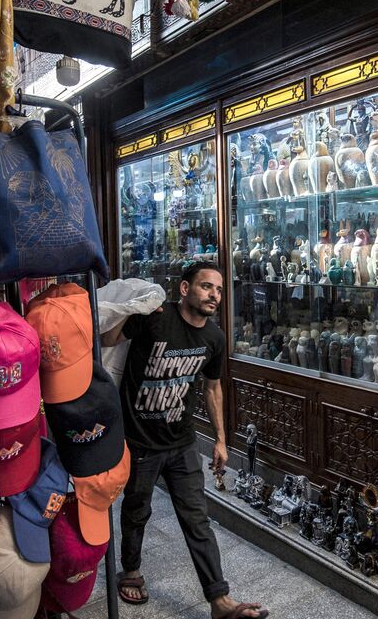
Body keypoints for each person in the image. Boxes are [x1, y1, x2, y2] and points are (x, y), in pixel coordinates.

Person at [101, 261, 268, 619]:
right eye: (207, 287)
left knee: (197, 519)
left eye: (219, 290)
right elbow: (106, 340)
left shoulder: (214, 338)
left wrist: (222, 440)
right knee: (136, 511)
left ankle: (219, 600)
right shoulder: (156, 318)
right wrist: (135, 307)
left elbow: (212, 388)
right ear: (184, 289)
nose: (215, 295)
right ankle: (130, 570)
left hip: (182, 442)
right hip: (141, 440)